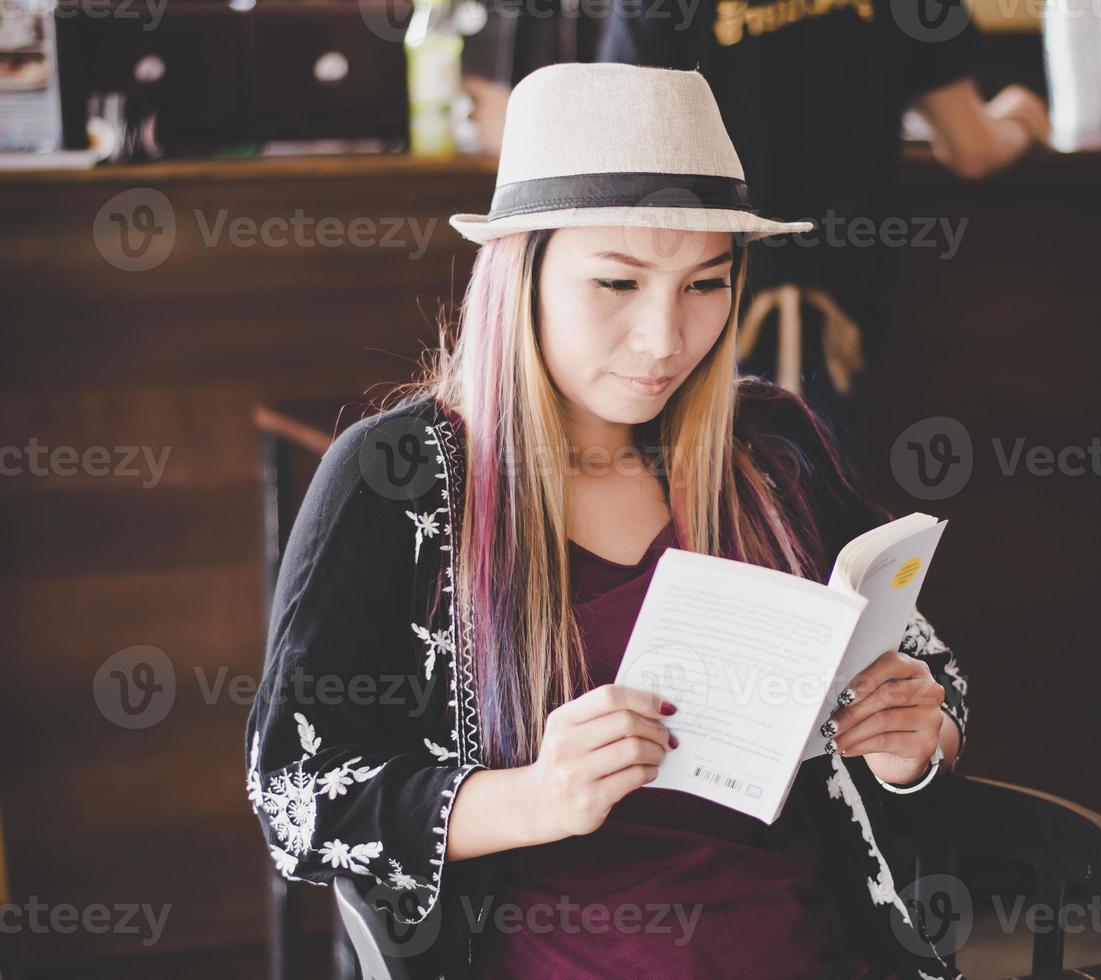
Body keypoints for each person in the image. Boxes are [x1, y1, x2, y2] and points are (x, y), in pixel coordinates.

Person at [244, 62, 970, 978]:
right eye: (618, 285)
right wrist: (536, 797)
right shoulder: (399, 478)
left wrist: (916, 739)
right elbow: (293, 799)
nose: (666, 338)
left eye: (706, 284)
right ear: (524, 275)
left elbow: (929, 673)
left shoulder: (769, 448)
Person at [597, 0, 1048, 443]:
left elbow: (619, 152)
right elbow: (973, 148)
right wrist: (1021, 117)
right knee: (819, 501)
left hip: (701, 311)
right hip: (840, 312)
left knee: (705, 503)